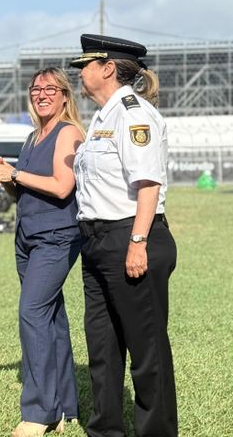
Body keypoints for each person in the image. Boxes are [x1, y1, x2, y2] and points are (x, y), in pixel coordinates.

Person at [71, 34, 177, 437]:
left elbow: (148, 184)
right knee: (102, 347)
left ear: (108, 68)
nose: (81, 73)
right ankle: (105, 429)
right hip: (97, 241)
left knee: (146, 351)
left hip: (131, 236)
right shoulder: (102, 116)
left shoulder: (134, 114)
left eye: (87, 65)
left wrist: (137, 243)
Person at [0, 67, 86, 437]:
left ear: (64, 95)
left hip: (56, 237)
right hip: (27, 236)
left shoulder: (69, 132)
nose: (41, 94)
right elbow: (27, 190)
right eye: (35, 88)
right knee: (50, 318)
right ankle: (64, 408)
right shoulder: (33, 136)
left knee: (32, 313)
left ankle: (39, 413)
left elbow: (63, 187)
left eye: (49, 88)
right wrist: (5, 178)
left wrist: (16, 174)